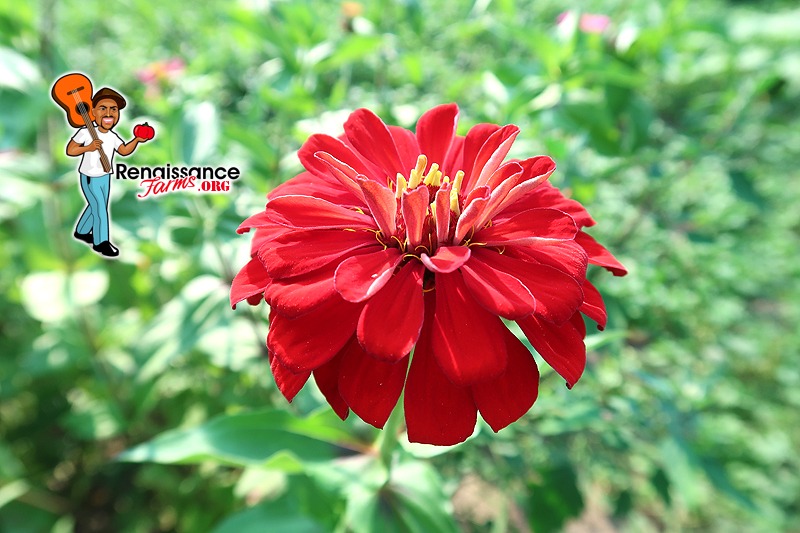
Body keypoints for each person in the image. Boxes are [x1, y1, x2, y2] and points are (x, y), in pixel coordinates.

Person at [66, 87, 148, 257]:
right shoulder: (86, 132)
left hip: (105, 176)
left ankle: (81, 231)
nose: (109, 113)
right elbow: (70, 149)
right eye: (103, 108)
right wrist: (88, 147)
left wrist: (137, 139)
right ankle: (101, 242)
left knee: (95, 205)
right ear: (94, 113)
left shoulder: (112, 136)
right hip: (89, 176)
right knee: (100, 209)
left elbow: (124, 150)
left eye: (113, 109)